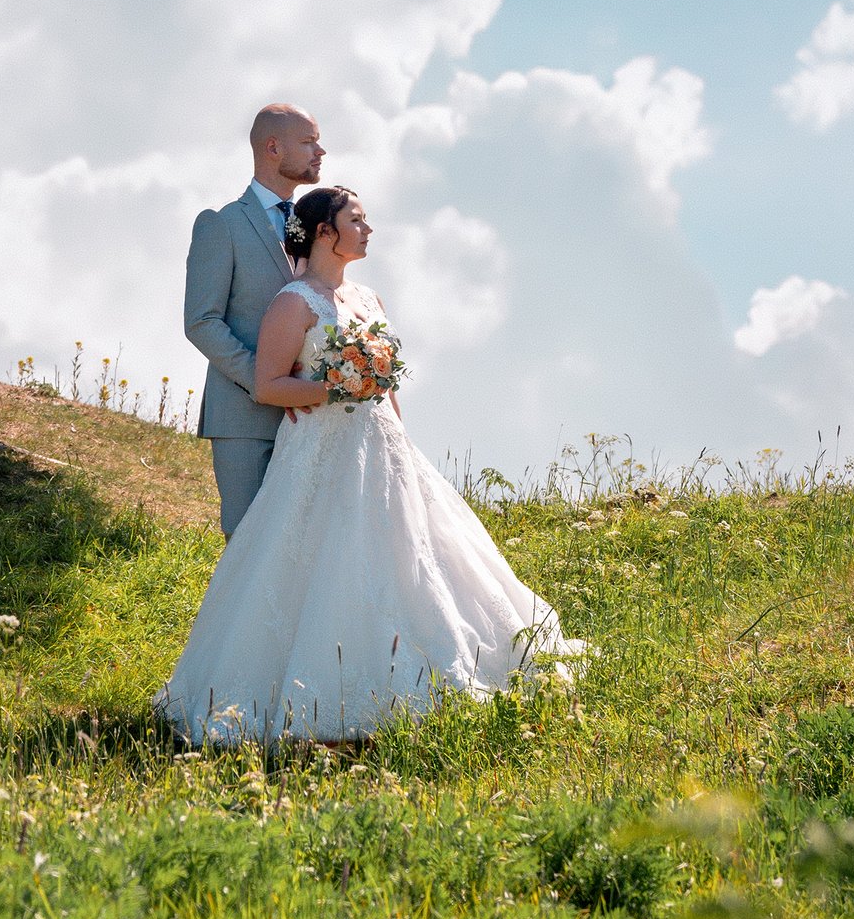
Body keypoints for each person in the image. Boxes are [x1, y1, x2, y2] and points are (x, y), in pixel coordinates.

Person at [159, 182, 570, 745]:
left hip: (382, 446)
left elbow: (384, 382)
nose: (368, 228)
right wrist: (332, 389)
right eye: (357, 219)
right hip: (320, 451)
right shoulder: (293, 302)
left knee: (412, 552)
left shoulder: (369, 299)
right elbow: (268, 384)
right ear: (325, 231)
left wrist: (395, 431)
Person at [184, 100, 325, 535]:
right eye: (309, 142)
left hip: (310, 422)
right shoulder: (221, 224)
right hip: (244, 417)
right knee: (248, 547)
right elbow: (201, 321)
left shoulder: (316, 224)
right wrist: (267, 383)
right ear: (273, 148)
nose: (320, 152)